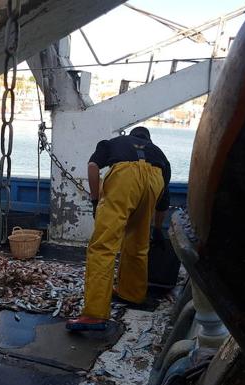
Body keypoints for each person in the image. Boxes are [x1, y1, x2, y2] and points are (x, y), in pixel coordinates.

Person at [66, 126, 170, 331]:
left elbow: (93, 166)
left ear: (131, 136)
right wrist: (157, 229)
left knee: (103, 248)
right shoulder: (159, 153)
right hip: (154, 182)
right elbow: (163, 201)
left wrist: (95, 200)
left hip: (125, 178)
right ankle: (132, 293)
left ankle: (95, 314)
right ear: (148, 139)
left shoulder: (113, 143)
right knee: (139, 245)